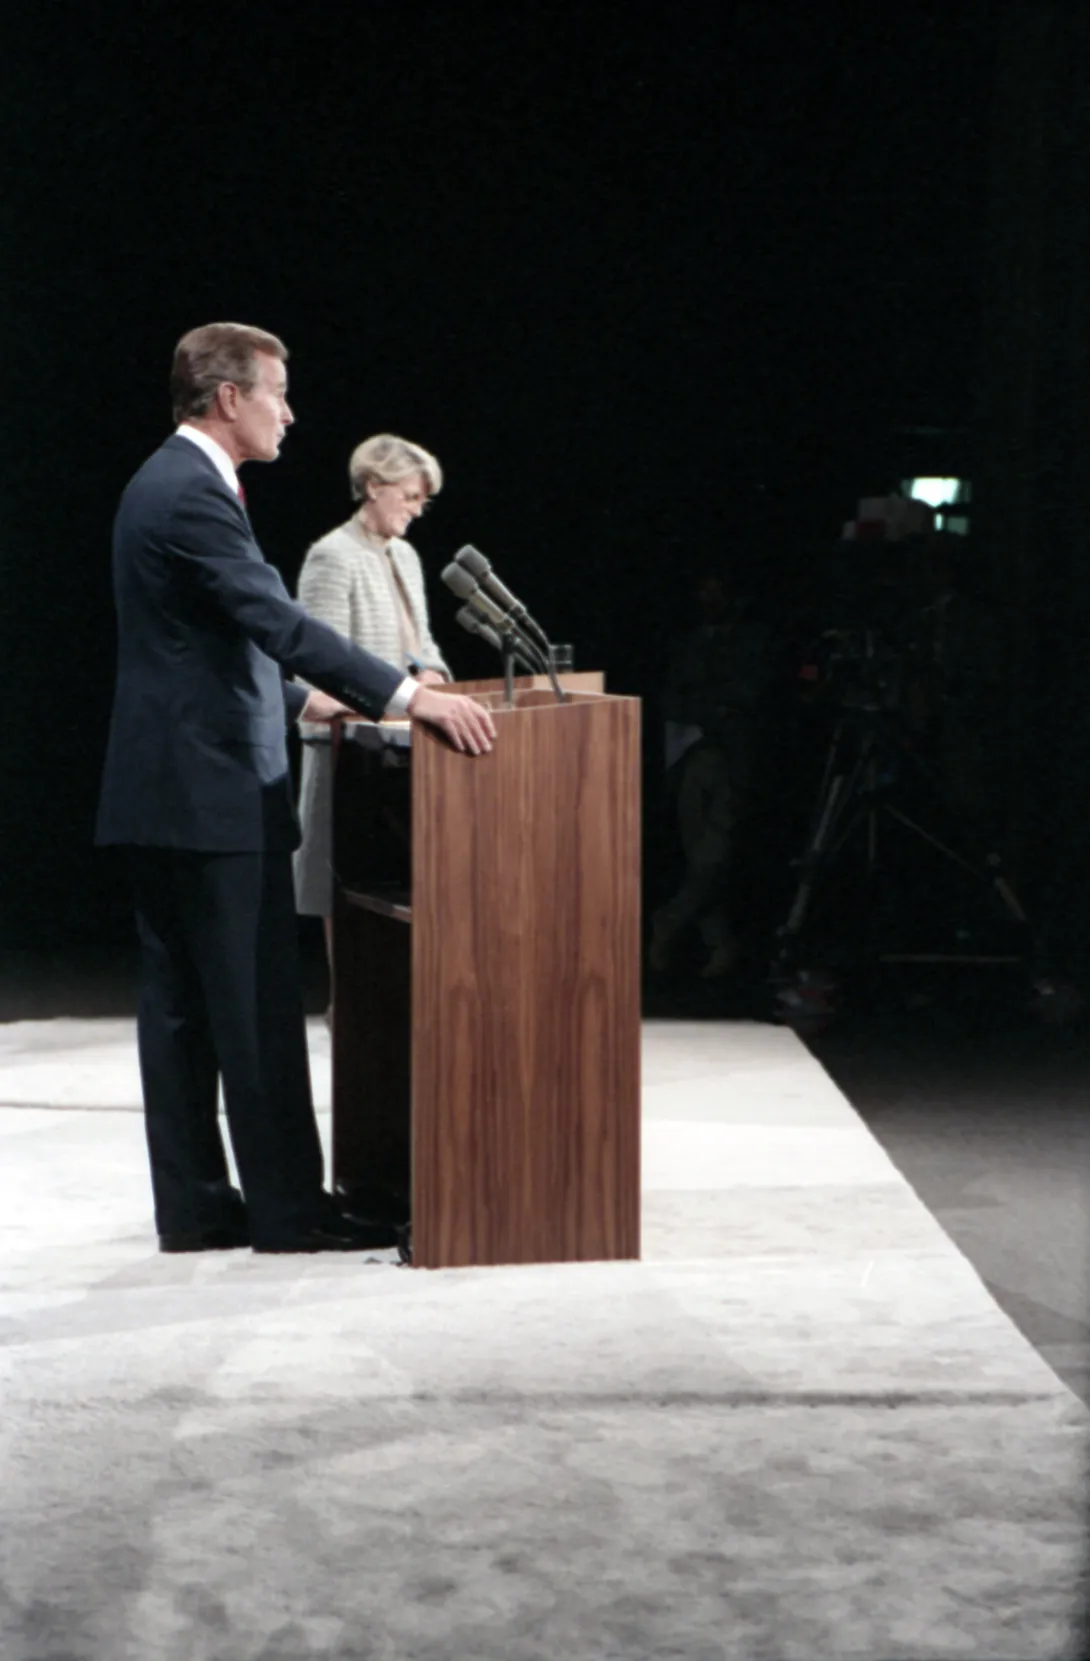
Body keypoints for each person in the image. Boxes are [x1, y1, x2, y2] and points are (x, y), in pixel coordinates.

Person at [95, 322, 495, 1255]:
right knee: (255, 1007)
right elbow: (271, 619)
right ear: (227, 397)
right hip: (210, 791)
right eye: (277, 392)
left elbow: (200, 642)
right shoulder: (190, 491)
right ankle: (287, 1210)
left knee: (185, 1010)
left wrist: (320, 697)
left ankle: (198, 1207)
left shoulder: (165, 481)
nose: (290, 411)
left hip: (166, 789)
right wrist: (403, 697)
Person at [294, 435, 452, 953]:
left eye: (422, 500)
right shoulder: (332, 556)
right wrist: (398, 696)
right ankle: (349, 1012)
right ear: (371, 487)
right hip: (349, 752)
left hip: (407, 746)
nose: (417, 510)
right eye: (409, 497)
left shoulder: (404, 556)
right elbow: (316, 668)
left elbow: (422, 645)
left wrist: (433, 676)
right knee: (345, 890)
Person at [649, 568, 775, 977]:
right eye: (704, 591)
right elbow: (674, 697)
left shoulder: (752, 642)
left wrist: (716, 707)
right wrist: (711, 708)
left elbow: (753, 694)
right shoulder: (688, 644)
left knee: (714, 853)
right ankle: (718, 943)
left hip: (734, 756)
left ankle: (668, 921)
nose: (709, 600)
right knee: (697, 849)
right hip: (692, 753)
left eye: (717, 591)